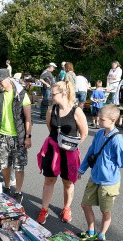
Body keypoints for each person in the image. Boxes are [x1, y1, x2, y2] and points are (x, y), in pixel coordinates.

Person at [36, 81, 88, 224]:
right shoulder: (51, 110)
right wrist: (58, 143)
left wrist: (71, 146)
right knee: (49, 180)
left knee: (68, 183)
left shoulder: (76, 111)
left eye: (54, 94)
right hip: (52, 150)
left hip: (69, 153)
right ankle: (44, 209)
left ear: (64, 93)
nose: (51, 96)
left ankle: (66, 208)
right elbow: (50, 128)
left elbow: (84, 134)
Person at [77, 104, 123, 240]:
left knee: (105, 211)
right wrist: (82, 169)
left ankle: (101, 235)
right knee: (85, 204)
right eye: (99, 119)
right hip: (95, 177)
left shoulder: (117, 140)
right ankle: (91, 231)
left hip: (109, 182)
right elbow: (91, 152)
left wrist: (110, 163)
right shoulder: (99, 133)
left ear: (113, 120)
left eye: (102, 120)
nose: (98, 121)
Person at [0, 69, 32, 203]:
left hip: (19, 137)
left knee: (19, 166)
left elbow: (28, 119)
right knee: (4, 165)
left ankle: (19, 191)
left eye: (0, 81)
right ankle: (7, 187)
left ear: (8, 78)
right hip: (3, 135)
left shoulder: (21, 94)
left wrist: (28, 137)